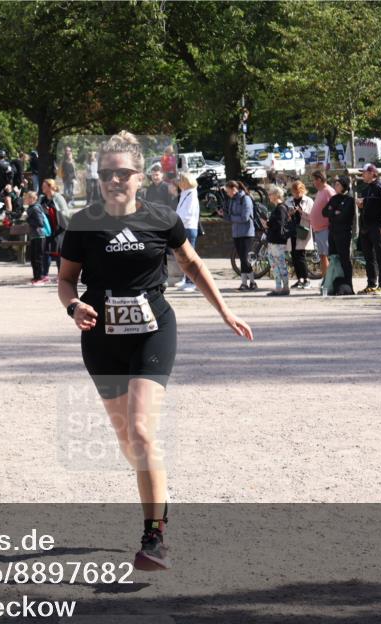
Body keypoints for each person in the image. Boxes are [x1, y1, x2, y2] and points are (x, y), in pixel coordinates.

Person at [57, 131, 253, 571]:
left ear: (140, 177)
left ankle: (155, 536)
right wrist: (74, 305)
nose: (113, 181)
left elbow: (193, 264)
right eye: (105, 174)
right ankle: (155, 483)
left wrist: (225, 312)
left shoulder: (162, 218)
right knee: (127, 439)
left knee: (143, 433)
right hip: (101, 337)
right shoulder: (83, 223)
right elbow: (66, 279)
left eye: (122, 173)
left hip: (152, 331)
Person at [356, 163, 381, 294]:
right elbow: (367, 207)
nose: (362, 175)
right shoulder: (366, 189)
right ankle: (371, 283)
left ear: (372, 173)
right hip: (366, 228)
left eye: (364, 172)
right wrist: (361, 205)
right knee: (368, 257)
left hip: (377, 227)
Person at [220, 180, 258, 291]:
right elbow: (231, 217)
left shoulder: (245, 199)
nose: (227, 193)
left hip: (247, 233)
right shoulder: (232, 200)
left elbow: (245, 217)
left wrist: (231, 218)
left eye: (228, 191)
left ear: (234, 189)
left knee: (245, 259)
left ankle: (249, 283)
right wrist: (223, 215)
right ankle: (247, 283)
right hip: (236, 233)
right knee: (242, 258)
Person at [322, 175, 355, 295]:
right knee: (334, 258)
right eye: (335, 184)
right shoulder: (334, 198)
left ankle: (348, 285)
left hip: (343, 233)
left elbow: (343, 216)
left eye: (338, 184)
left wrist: (334, 212)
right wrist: (334, 211)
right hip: (333, 232)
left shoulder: (349, 200)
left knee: (344, 259)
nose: (335, 186)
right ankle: (335, 283)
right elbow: (324, 212)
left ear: (344, 186)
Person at [285, 180, 315, 289]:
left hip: (303, 230)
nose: (297, 194)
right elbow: (285, 216)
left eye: (299, 191)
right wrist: (290, 213)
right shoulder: (289, 201)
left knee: (301, 256)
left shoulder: (309, 201)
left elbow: (312, 217)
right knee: (294, 256)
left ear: (303, 190)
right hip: (292, 231)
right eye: (295, 192)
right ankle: (299, 279)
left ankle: (306, 279)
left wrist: (301, 212)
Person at [263, 184, 292, 296]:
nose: (269, 196)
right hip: (275, 240)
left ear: (276, 195)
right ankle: (280, 287)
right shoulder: (280, 208)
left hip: (277, 240)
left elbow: (279, 225)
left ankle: (283, 287)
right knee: (275, 263)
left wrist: (268, 224)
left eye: (270, 194)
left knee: (279, 263)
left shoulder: (280, 208)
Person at [174, 172, 200, 292]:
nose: (178, 183)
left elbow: (187, 213)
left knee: (189, 256)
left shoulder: (192, 194)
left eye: (180, 181)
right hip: (183, 227)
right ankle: (186, 279)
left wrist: (177, 220)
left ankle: (192, 282)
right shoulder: (185, 193)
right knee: (183, 256)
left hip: (188, 227)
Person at [41, 178, 70, 275]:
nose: (42, 188)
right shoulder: (43, 199)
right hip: (48, 229)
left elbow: (65, 213)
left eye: (44, 186)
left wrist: (53, 210)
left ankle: (61, 274)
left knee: (59, 252)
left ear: (50, 187)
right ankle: (44, 275)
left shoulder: (58, 198)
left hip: (59, 229)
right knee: (46, 251)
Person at [310, 170, 335, 277]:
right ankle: (325, 278)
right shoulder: (320, 191)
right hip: (318, 229)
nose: (313, 183)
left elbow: (335, 207)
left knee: (328, 255)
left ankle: (330, 278)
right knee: (322, 256)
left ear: (319, 179)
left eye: (314, 180)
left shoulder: (328, 191)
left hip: (326, 229)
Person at [24, 190, 51, 285]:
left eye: (27, 198)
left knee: (37, 258)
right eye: (26, 198)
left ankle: (40, 278)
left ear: (33, 199)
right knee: (33, 258)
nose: (26, 199)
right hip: (34, 236)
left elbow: (39, 223)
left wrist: (27, 219)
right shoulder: (31, 208)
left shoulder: (35, 208)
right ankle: (36, 277)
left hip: (39, 236)